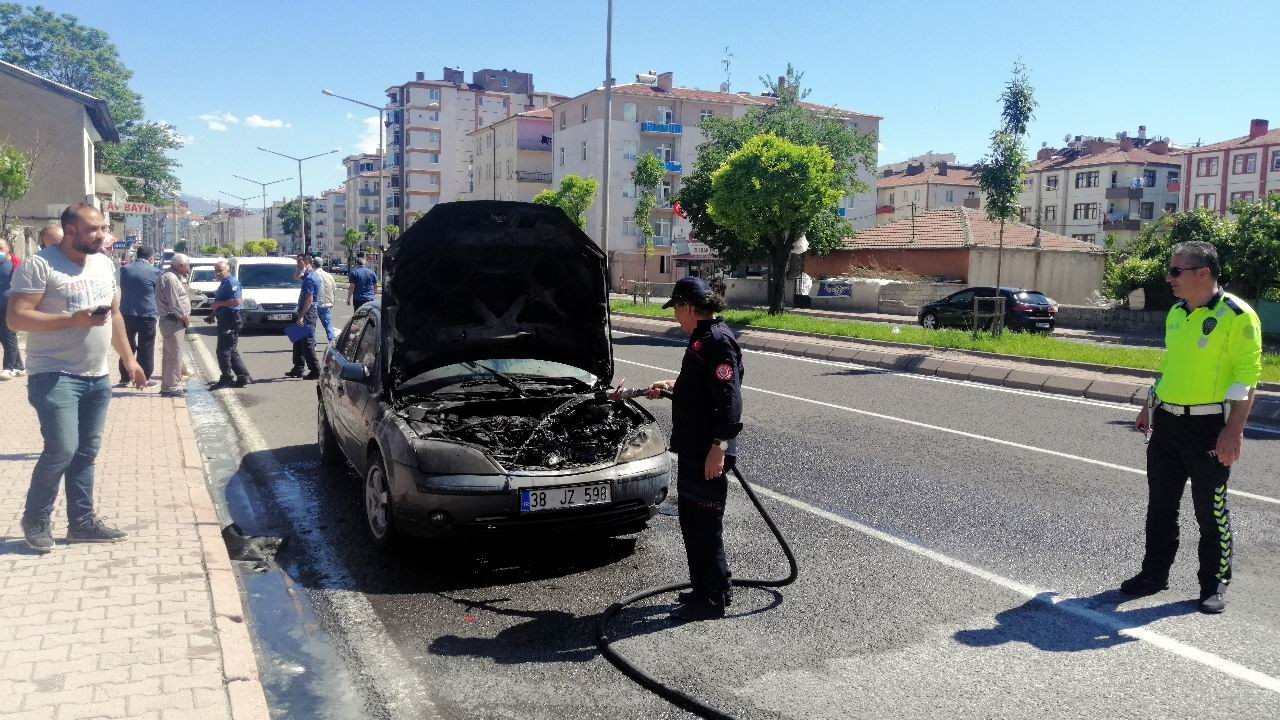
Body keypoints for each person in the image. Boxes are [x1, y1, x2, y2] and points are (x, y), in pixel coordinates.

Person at [1124, 241, 1263, 615]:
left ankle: (1213, 584)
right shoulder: (1176, 313)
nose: (1169, 278)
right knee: (1161, 507)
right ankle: (1153, 575)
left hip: (1208, 427)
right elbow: (1171, 368)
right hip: (1167, 422)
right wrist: (1148, 407)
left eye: (1175, 271)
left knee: (1210, 510)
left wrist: (1233, 430)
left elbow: (1246, 379)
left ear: (1203, 272)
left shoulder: (1237, 315)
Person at [6, 203, 146, 552]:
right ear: (70, 230)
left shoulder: (103, 263)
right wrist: (73, 319)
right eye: (93, 229)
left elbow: (113, 314)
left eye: (102, 228)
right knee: (62, 450)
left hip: (96, 375)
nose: (101, 235)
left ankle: (81, 523)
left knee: (85, 453)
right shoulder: (41, 265)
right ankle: (36, 519)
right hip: (53, 374)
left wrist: (129, 359)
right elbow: (17, 319)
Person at [640, 276, 744, 622]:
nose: (675, 317)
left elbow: (729, 404)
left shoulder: (716, 342)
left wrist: (720, 448)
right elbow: (702, 390)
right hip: (697, 447)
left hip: (706, 451)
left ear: (687, 307)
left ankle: (710, 600)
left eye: (676, 310)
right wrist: (672, 387)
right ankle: (711, 586)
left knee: (703, 524)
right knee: (694, 521)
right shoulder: (702, 341)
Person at [117, 245, 160, 387]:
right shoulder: (155, 272)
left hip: (126, 313)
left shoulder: (125, 269)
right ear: (151, 258)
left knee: (127, 345)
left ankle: (124, 377)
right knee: (146, 347)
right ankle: (144, 377)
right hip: (147, 313)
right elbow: (157, 293)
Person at [207, 259, 253, 389]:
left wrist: (218, 305)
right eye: (216, 271)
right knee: (230, 349)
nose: (217, 273)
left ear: (228, 270)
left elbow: (236, 301)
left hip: (231, 319)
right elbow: (220, 302)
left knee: (223, 351)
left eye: (220, 270)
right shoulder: (224, 283)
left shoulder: (232, 282)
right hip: (224, 318)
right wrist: (212, 314)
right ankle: (243, 376)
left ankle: (226, 378)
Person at [156, 253, 191, 397]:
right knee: (174, 355)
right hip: (173, 320)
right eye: (187, 265)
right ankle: (171, 387)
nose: (188, 268)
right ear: (181, 265)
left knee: (172, 354)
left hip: (173, 321)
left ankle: (170, 384)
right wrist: (184, 317)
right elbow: (174, 302)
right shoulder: (170, 278)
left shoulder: (173, 276)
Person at [287, 253, 320, 380]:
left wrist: (301, 316)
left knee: (307, 342)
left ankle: (315, 370)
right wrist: (299, 269)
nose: (298, 266)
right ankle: (298, 368)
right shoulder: (307, 275)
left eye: (299, 264)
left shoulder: (310, 278)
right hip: (304, 311)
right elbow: (296, 276)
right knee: (297, 340)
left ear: (307, 263)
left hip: (307, 313)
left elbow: (309, 299)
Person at [0, 236, 25, 379]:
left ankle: (9, 368)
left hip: (10, 306)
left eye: (0, 248)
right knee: (4, 337)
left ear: (8, 248)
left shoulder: (16, 265)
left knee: (8, 335)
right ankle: (19, 367)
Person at [311, 256, 337, 342]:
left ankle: (312, 344)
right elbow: (333, 289)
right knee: (328, 324)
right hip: (326, 303)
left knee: (312, 325)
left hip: (315, 303)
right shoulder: (328, 275)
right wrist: (333, 301)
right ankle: (332, 342)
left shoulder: (312, 275)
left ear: (313, 264)